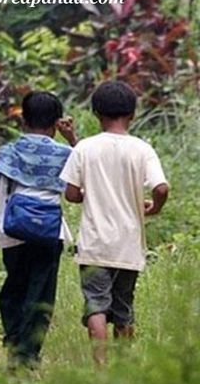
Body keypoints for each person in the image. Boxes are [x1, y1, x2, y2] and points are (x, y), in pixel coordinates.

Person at [60, 80, 169, 365]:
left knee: (96, 303)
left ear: (97, 113)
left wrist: (88, 193)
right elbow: (161, 188)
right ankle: (123, 369)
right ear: (133, 114)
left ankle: (101, 367)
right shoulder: (142, 149)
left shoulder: (84, 148)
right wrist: (153, 208)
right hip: (128, 244)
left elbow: (71, 193)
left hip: (94, 243)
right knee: (124, 305)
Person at [0, 91, 78, 370]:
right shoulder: (66, 154)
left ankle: (14, 343)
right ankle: (27, 357)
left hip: (11, 232)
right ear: (56, 123)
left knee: (13, 289)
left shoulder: (9, 151)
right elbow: (82, 180)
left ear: (23, 120)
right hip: (49, 234)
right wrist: (71, 139)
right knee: (40, 296)